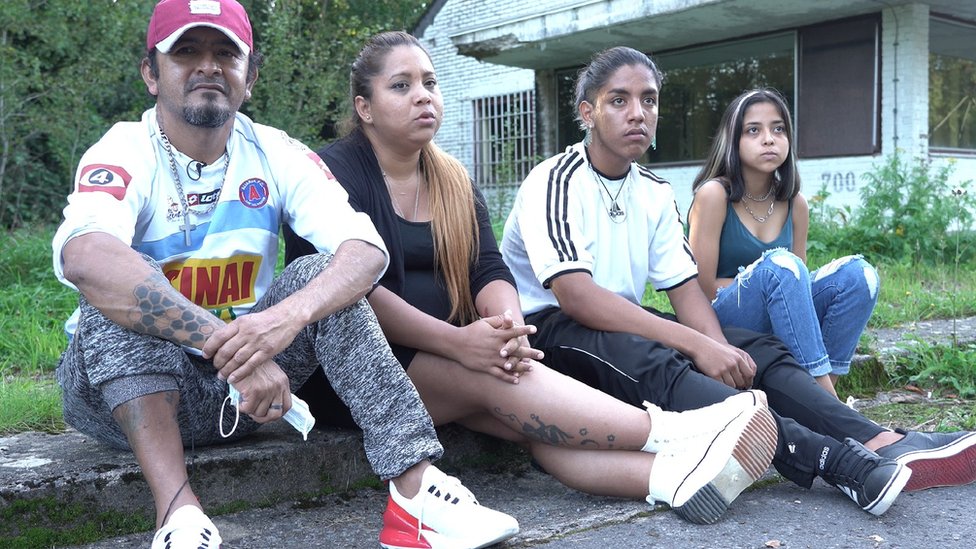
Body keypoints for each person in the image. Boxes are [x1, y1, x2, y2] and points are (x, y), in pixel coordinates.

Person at [51, 2, 520, 548]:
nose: (208, 66)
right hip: (122, 400)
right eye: (186, 53)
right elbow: (85, 256)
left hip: (244, 395)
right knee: (122, 283)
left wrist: (281, 321)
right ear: (151, 73)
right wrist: (232, 347)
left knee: (324, 274)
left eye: (226, 53)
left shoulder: (276, 151)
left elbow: (364, 250)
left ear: (249, 77)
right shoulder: (121, 150)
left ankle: (417, 493)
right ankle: (178, 517)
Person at [284, 31, 778, 528]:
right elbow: (351, 292)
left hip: (453, 351)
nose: (422, 95)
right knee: (500, 376)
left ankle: (672, 478)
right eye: (401, 86)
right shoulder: (330, 175)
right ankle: (677, 434)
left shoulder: (453, 178)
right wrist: (460, 344)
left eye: (430, 83)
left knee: (531, 426)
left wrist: (507, 327)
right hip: (360, 373)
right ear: (364, 108)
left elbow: (488, 267)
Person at [501, 46, 976, 516]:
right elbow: (577, 297)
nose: (638, 113)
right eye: (619, 100)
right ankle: (835, 461)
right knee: (663, 362)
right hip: (551, 330)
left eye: (648, 99)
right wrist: (697, 347)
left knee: (755, 349)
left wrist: (718, 348)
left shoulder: (652, 190)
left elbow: (687, 292)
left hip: (622, 322)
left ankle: (877, 438)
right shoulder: (555, 179)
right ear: (588, 111)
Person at [687, 88, 878, 399]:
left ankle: (818, 397)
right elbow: (699, 289)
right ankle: (831, 407)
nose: (769, 139)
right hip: (723, 320)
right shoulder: (713, 195)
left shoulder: (795, 203)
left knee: (860, 276)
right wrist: (766, 281)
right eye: (753, 130)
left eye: (778, 129)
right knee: (782, 267)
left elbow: (797, 283)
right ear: (733, 141)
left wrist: (778, 283)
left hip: (779, 308)